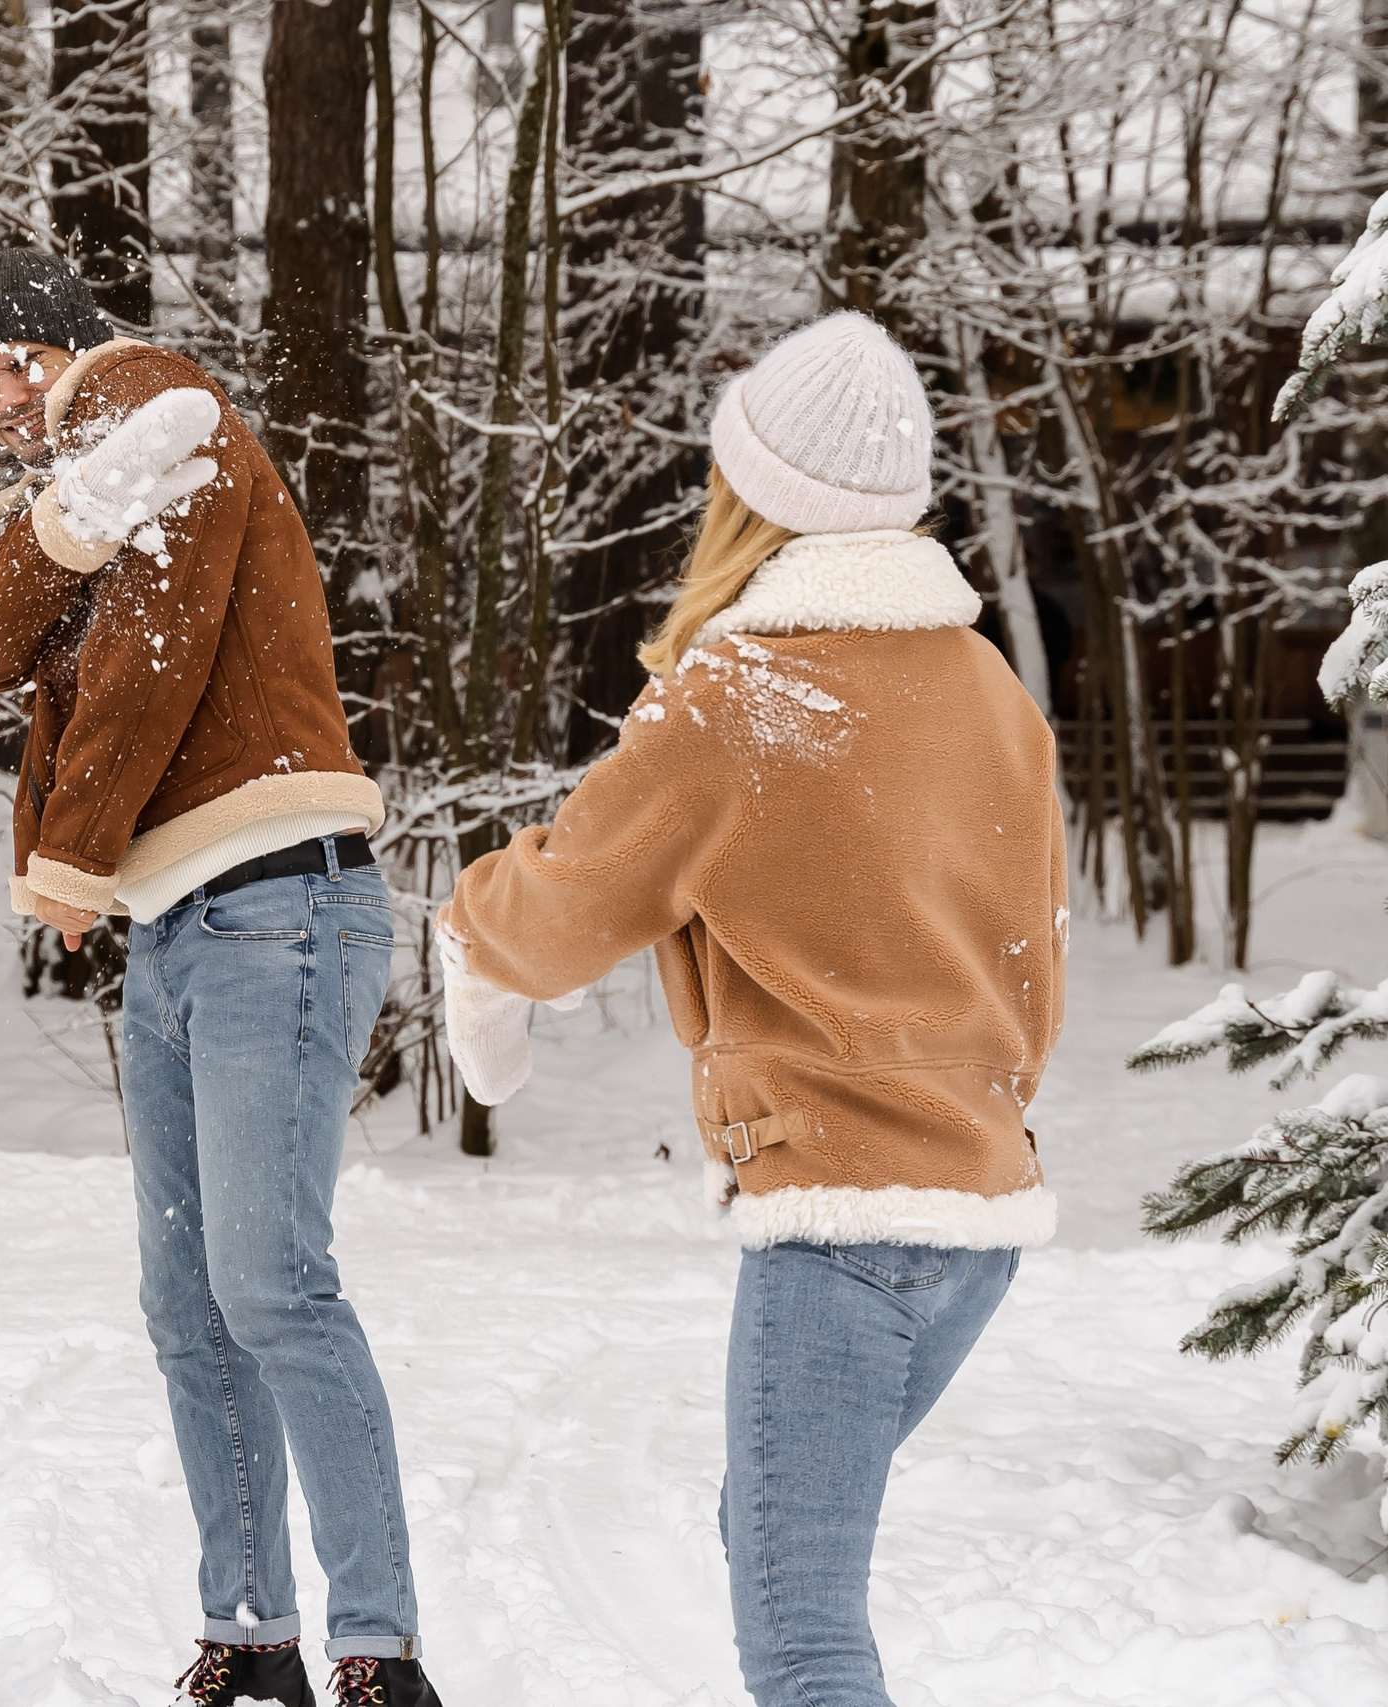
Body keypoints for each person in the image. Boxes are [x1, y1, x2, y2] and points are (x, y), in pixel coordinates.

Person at [437, 311, 1064, 1707]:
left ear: (751, 496)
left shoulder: (744, 693)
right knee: (776, 1555)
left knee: (803, 1643)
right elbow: (1036, 965)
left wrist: (466, 931)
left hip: (839, 1229)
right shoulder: (990, 691)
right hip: (978, 1219)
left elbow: (560, 911)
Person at [0, 250, 443, 1707]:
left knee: (272, 1286)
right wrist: (66, 524)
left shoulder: (158, 403)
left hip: (279, 898)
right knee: (190, 1301)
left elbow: (152, 663)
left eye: (15, 363)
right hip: (181, 928)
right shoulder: (83, 474)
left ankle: (380, 1654)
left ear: (68, 345)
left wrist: (72, 854)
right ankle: (252, 1633)